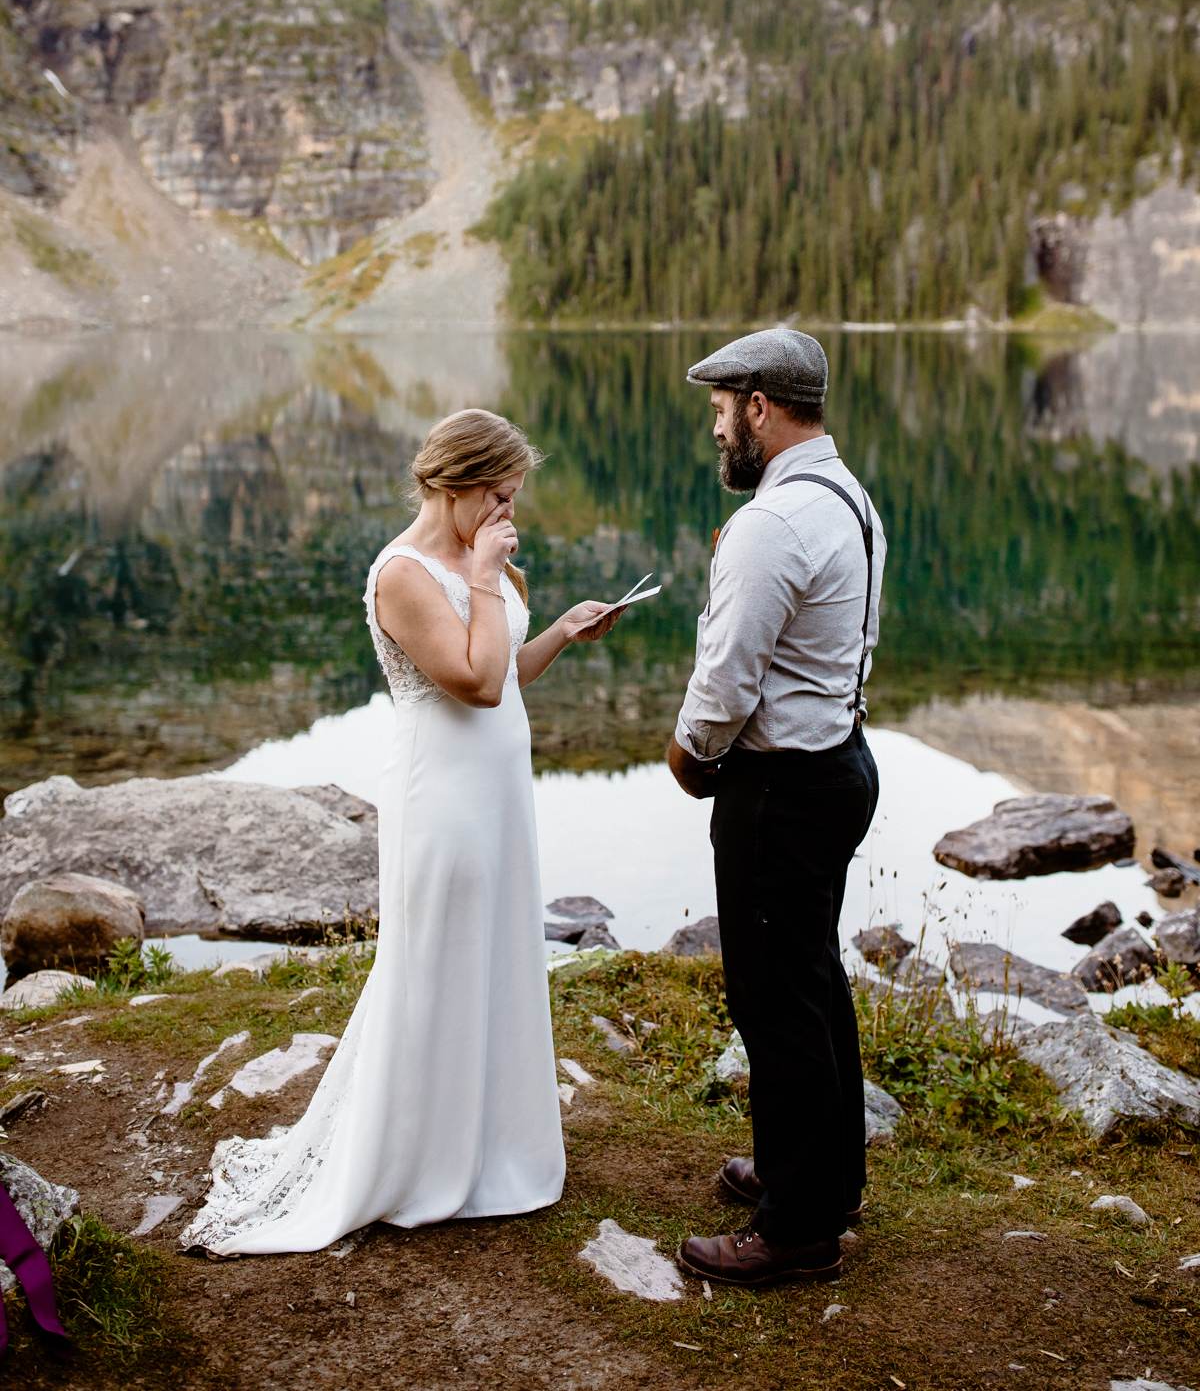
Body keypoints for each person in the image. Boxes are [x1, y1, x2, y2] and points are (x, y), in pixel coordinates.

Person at [180, 408, 623, 1256]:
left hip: (499, 794)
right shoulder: (404, 573)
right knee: (437, 957)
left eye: (514, 499)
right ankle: (419, 1158)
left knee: (494, 950)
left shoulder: (482, 559)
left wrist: (562, 629)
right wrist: (491, 581)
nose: (508, 516)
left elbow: (508, 673)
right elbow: (472, 682)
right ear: (452, 485)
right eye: (497, 497)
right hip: (443, 795)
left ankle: (493, 1146)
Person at [666, 329, 887, 1289]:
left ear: (760, 405)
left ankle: (795, 1229)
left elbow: (728, 678)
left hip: (781, 789)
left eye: (722, 411)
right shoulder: (849, 498)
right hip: (839, 763)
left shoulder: (771, 523)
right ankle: (824, 1178)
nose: (717, 430)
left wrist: (687, 753)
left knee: (772, 996)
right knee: (810, 978)